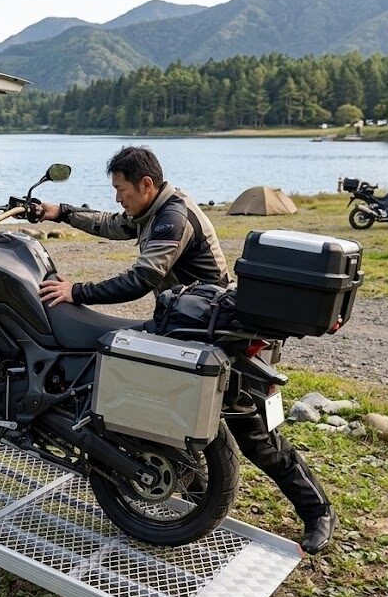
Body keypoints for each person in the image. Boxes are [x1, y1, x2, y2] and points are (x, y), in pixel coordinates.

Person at [35, 146, 337, 555]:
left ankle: (317, 512)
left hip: (212, 331)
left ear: (146, 184)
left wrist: (77, 291)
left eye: (121, 188)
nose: (117, 197)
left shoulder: (173, 218)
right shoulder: (155, 208)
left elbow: (142, 278)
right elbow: (114, 224)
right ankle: (197, 494)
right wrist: (61, 212)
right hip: (185, 324)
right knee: (158, 404)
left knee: (256, 435)